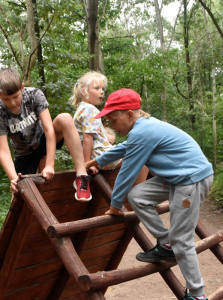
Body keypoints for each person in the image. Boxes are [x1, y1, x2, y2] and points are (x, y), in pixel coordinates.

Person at [85, 88, 213, 300]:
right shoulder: (142, 129)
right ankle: (166, 243)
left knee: (183, 240)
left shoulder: (144, 130)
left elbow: (127, 172)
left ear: (129, 114)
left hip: (191, 179)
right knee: (138, 196)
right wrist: (98, 161)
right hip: (177, 177)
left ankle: (198, 296)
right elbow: (125, 147)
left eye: (112, 120)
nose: (111, 125)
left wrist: (114, 206)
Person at [0, 68, 91, 201]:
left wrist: (50, 164)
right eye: (6, 99)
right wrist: (13, 179)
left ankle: (82, 176)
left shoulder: (34, 95)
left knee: (65, 118)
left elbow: (49, 129)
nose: (12, 103)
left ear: (22, 88)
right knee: (18, 198)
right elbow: (4, 151)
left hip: (43, 140)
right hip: (24, 154)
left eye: (15, 96)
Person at [71, 71, 121, 175]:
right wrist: (87, 163)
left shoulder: (81, 109)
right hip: (101, 156)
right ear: (84, 91)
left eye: (102, 89)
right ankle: (138, 189)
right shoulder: (90, 109)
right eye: (97, 88)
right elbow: (87, 138)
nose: (102, 92)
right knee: (140, 153)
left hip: (96, 156)